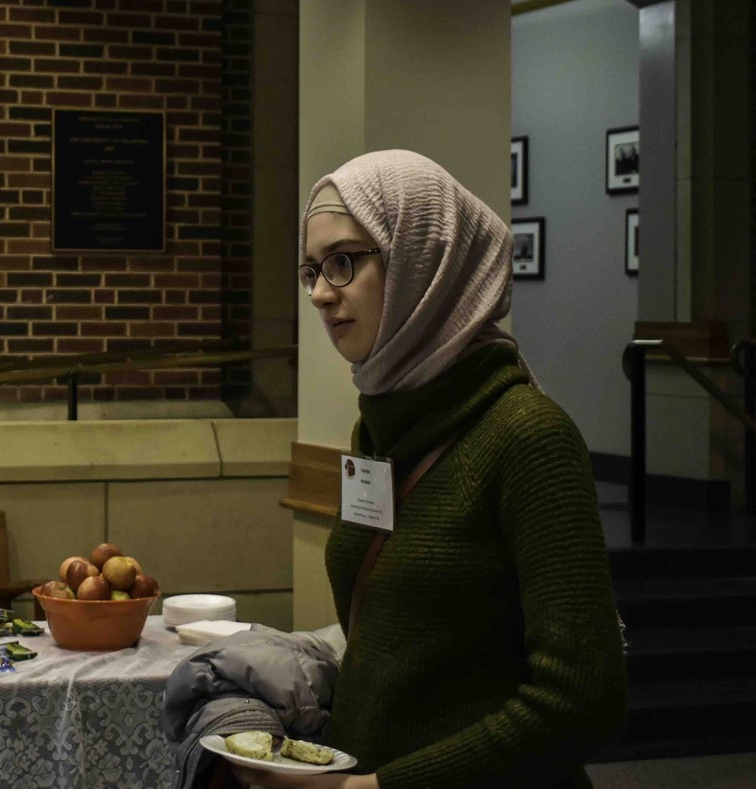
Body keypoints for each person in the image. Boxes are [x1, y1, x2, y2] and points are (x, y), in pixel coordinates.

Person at [231, 150, 627, 788]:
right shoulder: (381, 428)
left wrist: (383, 788)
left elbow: (584, 701)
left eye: (344, 261)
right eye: (311, 270)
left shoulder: (528, 436)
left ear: (423, 262)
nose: (322, 293)